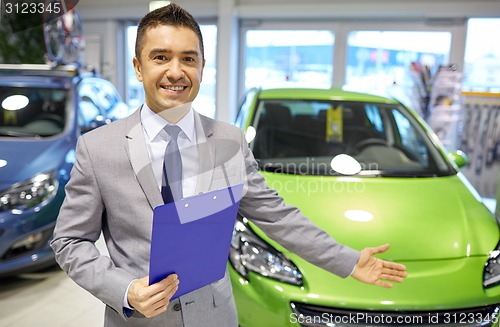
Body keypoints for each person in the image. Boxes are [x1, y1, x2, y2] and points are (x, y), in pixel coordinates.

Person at [50, 3, 407, 327]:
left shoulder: (230, 141)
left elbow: (278, 216)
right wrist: (125, 290)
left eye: (188, 59)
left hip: (215, 317)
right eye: (160, 57)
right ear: (138, 67)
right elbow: (70, 241)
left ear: (202, 68)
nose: (176, 71)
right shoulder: (98, 148)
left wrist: (347, 260)